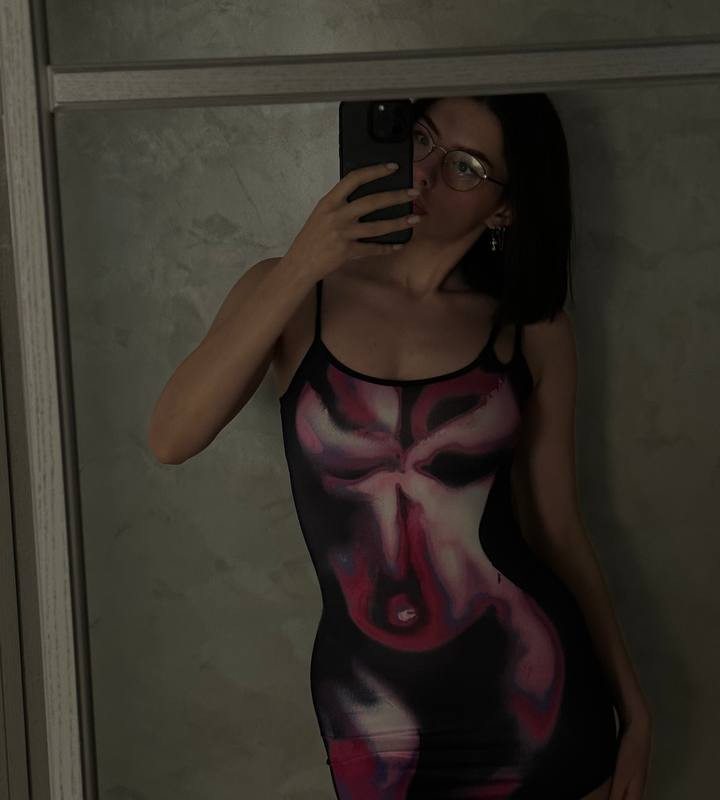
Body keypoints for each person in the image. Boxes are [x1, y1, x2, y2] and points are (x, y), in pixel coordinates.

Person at [148, 94, 653, 799]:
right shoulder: (292, 294)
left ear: (504, 209)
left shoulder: (532, 329)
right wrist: (301, 263)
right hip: (372, 714)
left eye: (465, 167)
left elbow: (560, 529)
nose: (424, 172)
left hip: (537, 700)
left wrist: (634, 707)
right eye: (422, 139)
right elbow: (172, 437)